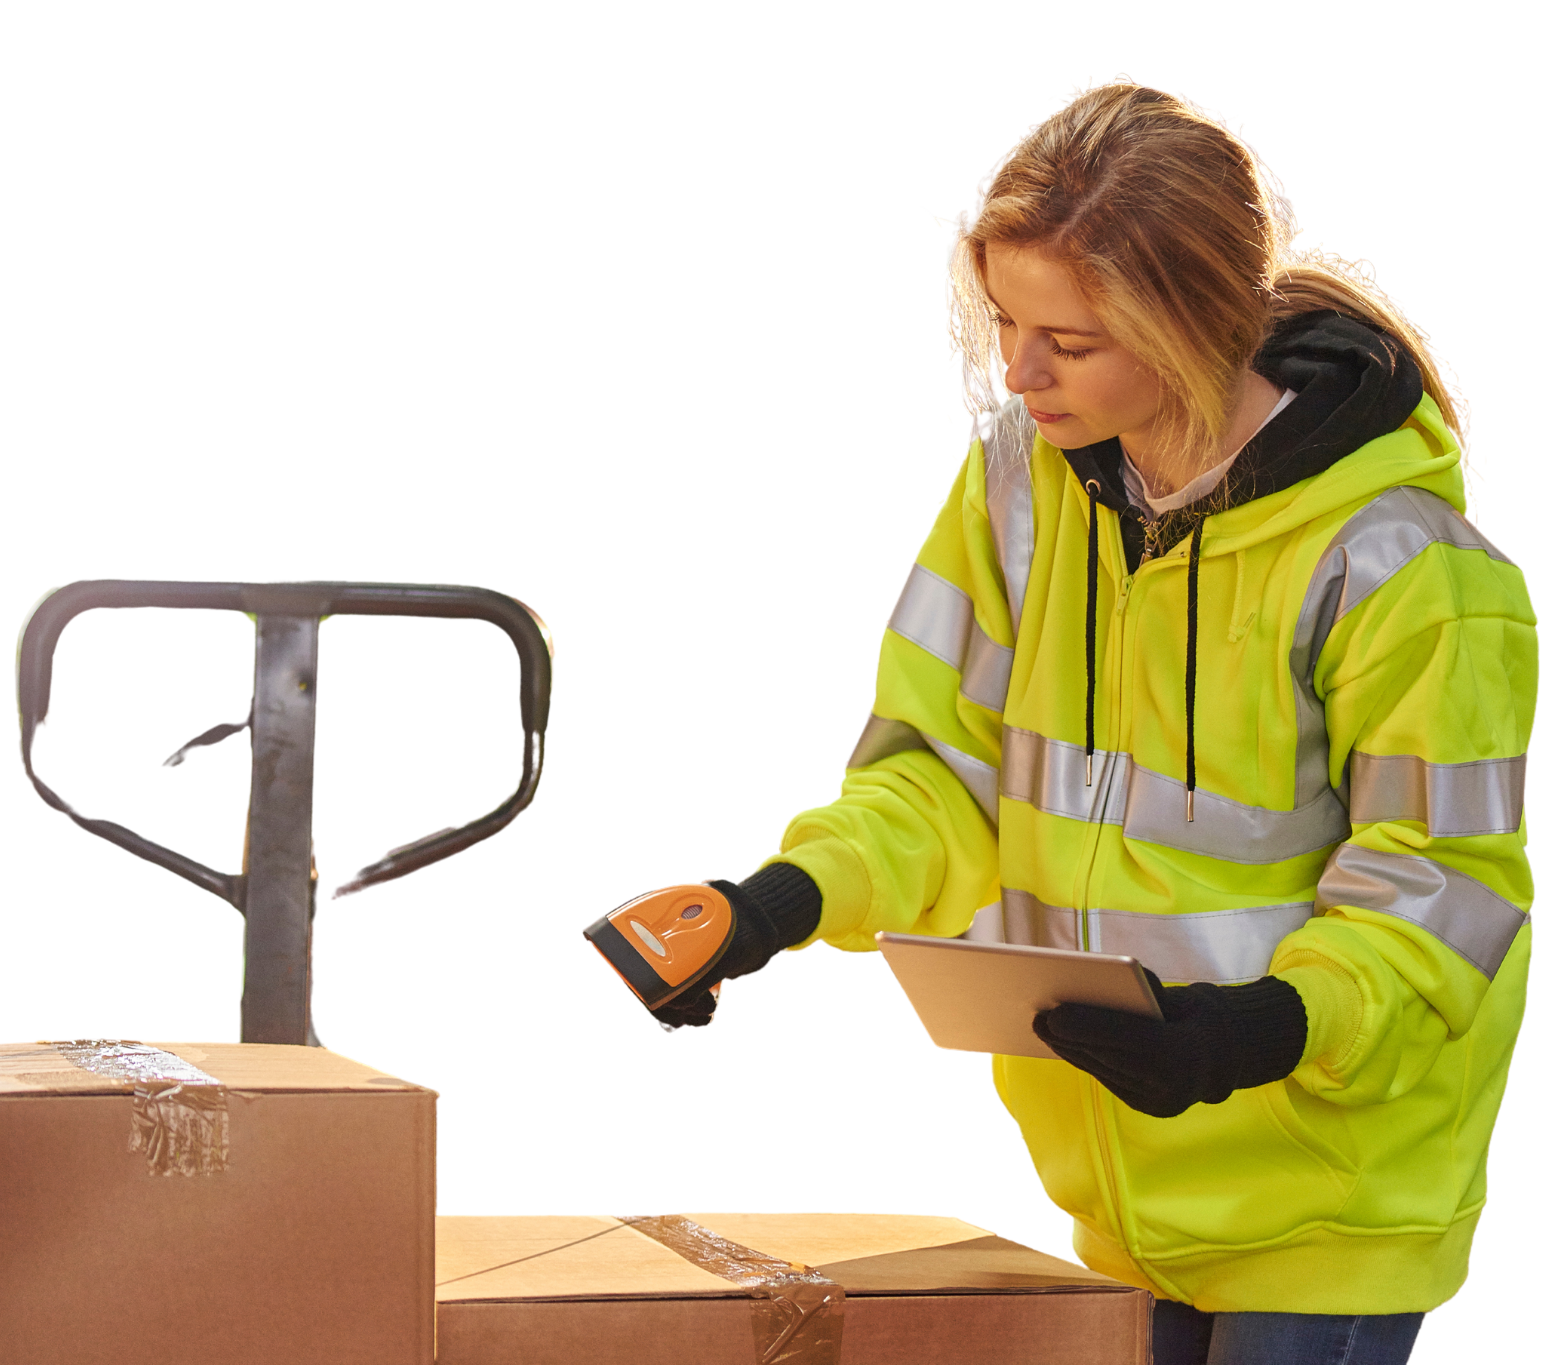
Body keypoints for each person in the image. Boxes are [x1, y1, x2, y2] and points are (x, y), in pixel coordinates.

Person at [583, 76, 1536, 1365]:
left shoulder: (1406, 569)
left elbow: (1443, 887)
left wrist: (1268, 1028)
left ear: (1198, 326)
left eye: (1070, 342)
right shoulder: (1022, 492)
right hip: (1111, 1191)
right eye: (1005, 324)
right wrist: (777, 905)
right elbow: (942, 775)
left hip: (1332, 1193)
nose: (1020, 375)